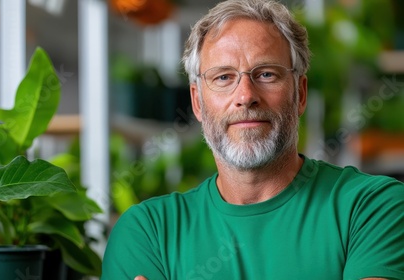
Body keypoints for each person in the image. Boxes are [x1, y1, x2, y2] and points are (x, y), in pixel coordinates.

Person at [101, 0, 404, 279]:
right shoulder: (148, 232)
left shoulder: (371, 209)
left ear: (300, 94)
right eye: (223, 77)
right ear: (197, 103)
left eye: (267, 74)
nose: (245, 96)